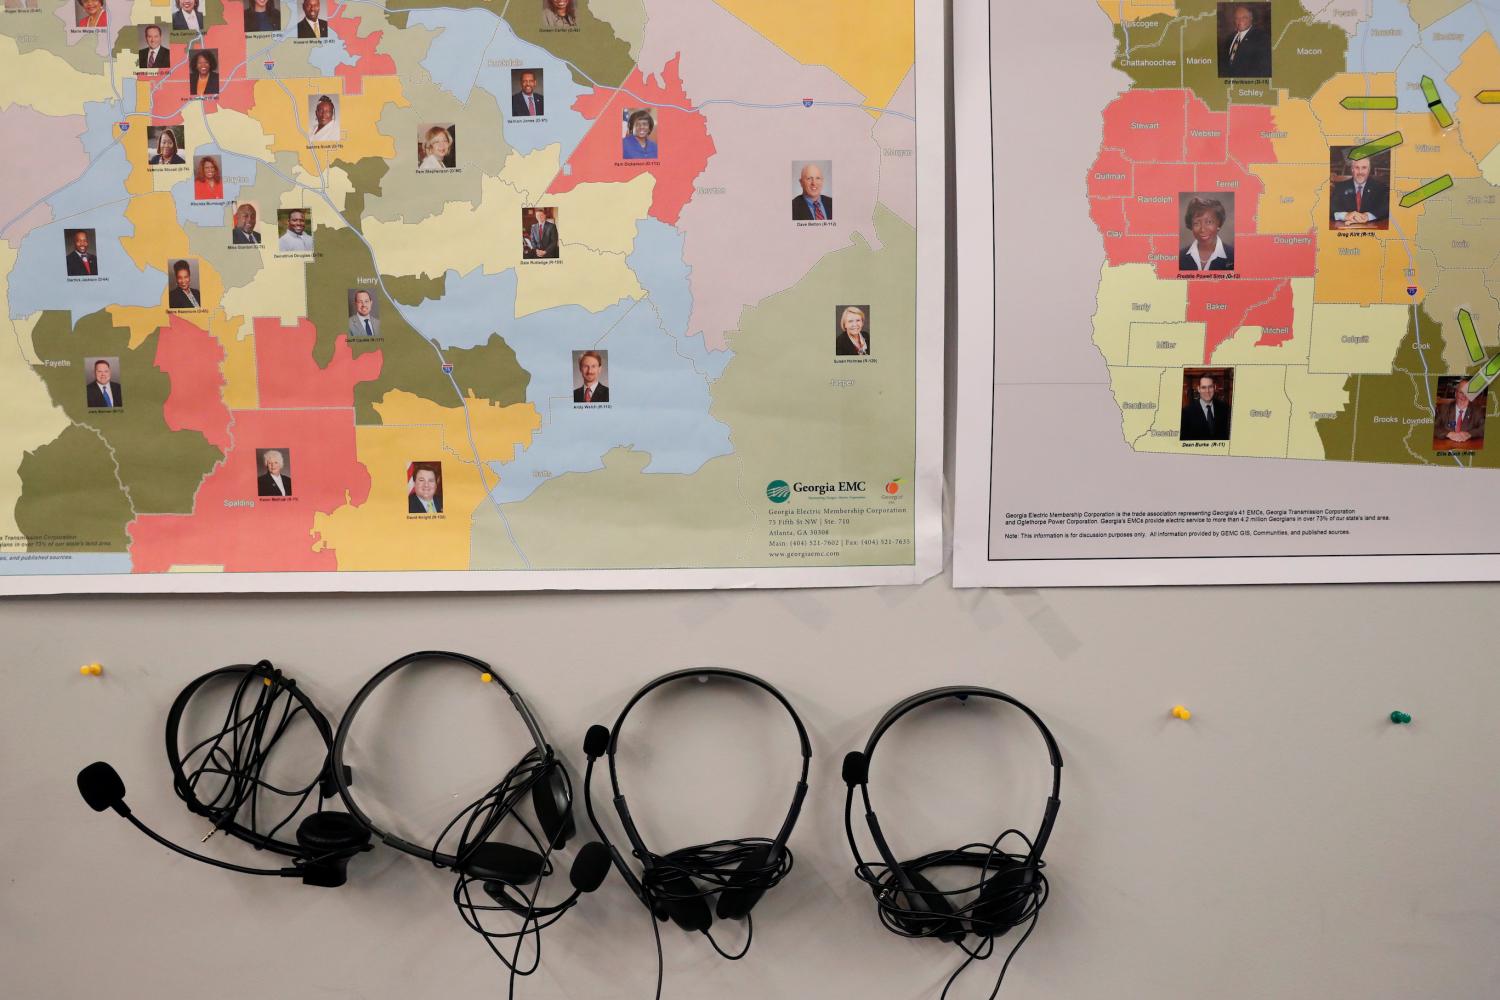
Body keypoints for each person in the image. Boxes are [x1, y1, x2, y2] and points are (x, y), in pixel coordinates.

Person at [1178, 196, 1235, 272]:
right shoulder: (1180, 257)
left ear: (1218, 224)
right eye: (1196, 223)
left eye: (1209, 222)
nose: (1202, 229)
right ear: (1191, 226)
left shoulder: (1233, 255)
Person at [1330, 156, 1389, 227]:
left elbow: (1386, 208)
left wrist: (1368, 216)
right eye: (1357, 168)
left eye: (1364, 167)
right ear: (1352, 169)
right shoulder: (1340, 187)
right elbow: (1330, 209)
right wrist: (1345, 215)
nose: (1360, 172)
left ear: (1369, 170)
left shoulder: (1380, 187)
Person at [1218, 4, 1271, 78]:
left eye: (1244, 17)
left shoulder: (1261, 38)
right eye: (1237, 18)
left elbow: (1264, 69)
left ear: (1251, 18)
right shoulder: (1229, 39)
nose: (1240, 21)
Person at [1180, 373, 1232, 440]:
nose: (1207, 391)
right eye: (1203, 387)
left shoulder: (1225, 408)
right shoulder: (1187, 412)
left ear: (1215, 387)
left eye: (1210, 387)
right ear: (1198, 389)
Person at [1435, 380, 1486, 444]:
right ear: (1456, 394)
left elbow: (1484, 428)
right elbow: (1434, 427)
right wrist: (1449, 434)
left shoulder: (1477, 410)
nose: (1464, 396)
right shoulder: (1444, 408)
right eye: (1461, 392)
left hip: (1468, 446)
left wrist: (1469, 434)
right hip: (1446, 446)